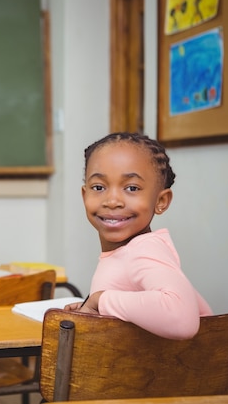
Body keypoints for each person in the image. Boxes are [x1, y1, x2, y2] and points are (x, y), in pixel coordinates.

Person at [65, 132, 212, 340]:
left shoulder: (144, 250)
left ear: (161, 201)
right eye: (98, 187)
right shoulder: (126, 253)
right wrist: (97, 310)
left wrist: (101, 301)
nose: (112, 200)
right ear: (84, 195)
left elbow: (183, 321)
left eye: (131, 188)